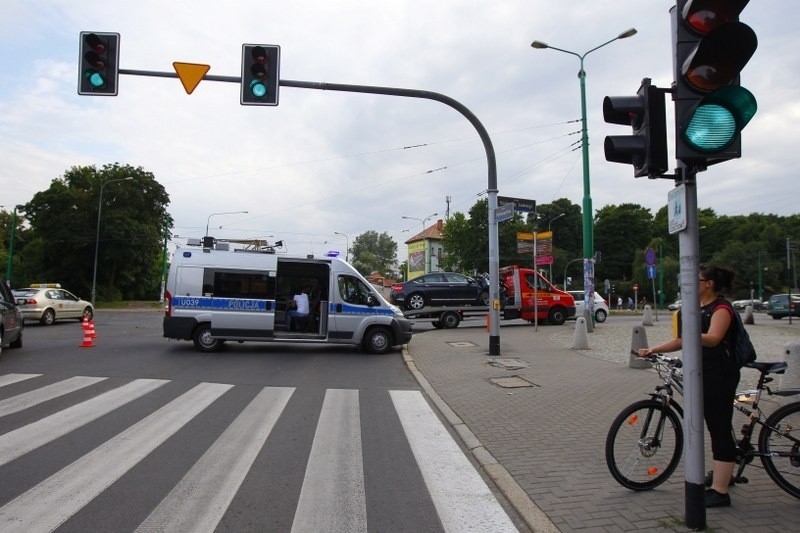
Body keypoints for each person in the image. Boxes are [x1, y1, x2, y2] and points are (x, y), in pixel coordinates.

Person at [638, 265, 739, 508]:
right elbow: (681, 340)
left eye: (696, 280)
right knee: (715, 424)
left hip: (720, 374)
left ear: (708, 284)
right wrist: (654, 349)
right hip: (702, 373)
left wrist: (691, 329)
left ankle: (721, 490)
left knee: (719, 427)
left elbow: (714, 338)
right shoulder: (693, 309)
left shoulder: (721, 308)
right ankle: (724, 471)